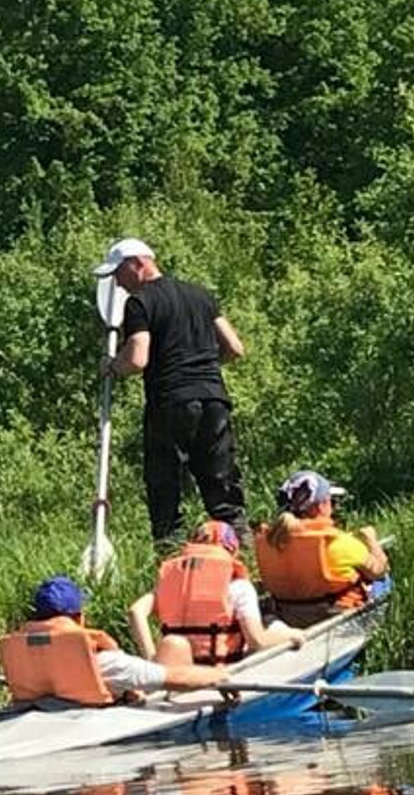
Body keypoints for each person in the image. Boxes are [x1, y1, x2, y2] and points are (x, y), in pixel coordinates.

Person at [95, 238, 250, 550]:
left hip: (171, 401)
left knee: (166, 486)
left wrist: (112, 366)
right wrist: (202, 365)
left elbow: (138, 358)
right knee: (221, 483)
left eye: (119, 273)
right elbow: (235, 348)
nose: (118, 283)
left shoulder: (139, 302)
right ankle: (244, 554)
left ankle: (169, 558)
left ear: (137, 264)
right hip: (213, 398)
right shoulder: (201, 296)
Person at [0, 575, 226, 706]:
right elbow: (177, 678)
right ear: (80, 617)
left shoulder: (21, 654)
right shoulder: (103, 663)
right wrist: (221, 677)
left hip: (33, 717)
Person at [127, 518, 300, 669]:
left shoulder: (169, 583)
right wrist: (293, 636)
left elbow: (135, 611)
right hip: (221, 670)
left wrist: (152, 659)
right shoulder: (238, 586)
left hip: (178, 669)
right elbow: (257, 642)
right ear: (232, 550)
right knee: (278, 627)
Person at [255, 470, 389, 625]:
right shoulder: (338, 543)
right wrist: (371, 540)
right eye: (331, 500)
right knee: (383, 581)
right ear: (322, 505)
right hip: (332, 616)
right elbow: (379, 571)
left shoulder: (269, 542)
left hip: (288, 618)